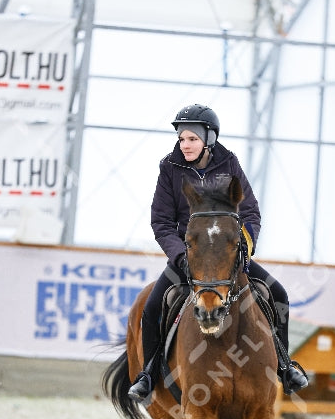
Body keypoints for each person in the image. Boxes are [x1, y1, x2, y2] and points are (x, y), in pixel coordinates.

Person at [128, 103, 308, 400]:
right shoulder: (169, 167)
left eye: (192, 139)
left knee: (279, 296)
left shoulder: (229, 163)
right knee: (151, 307)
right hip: (189, 257)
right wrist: (181, 257)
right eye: (181, 138)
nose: (185, 145)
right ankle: (148, 374)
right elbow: (160, 221)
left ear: (208, 139)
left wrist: (243, 252)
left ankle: (285, 367)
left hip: (228, 258)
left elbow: (250, 213)